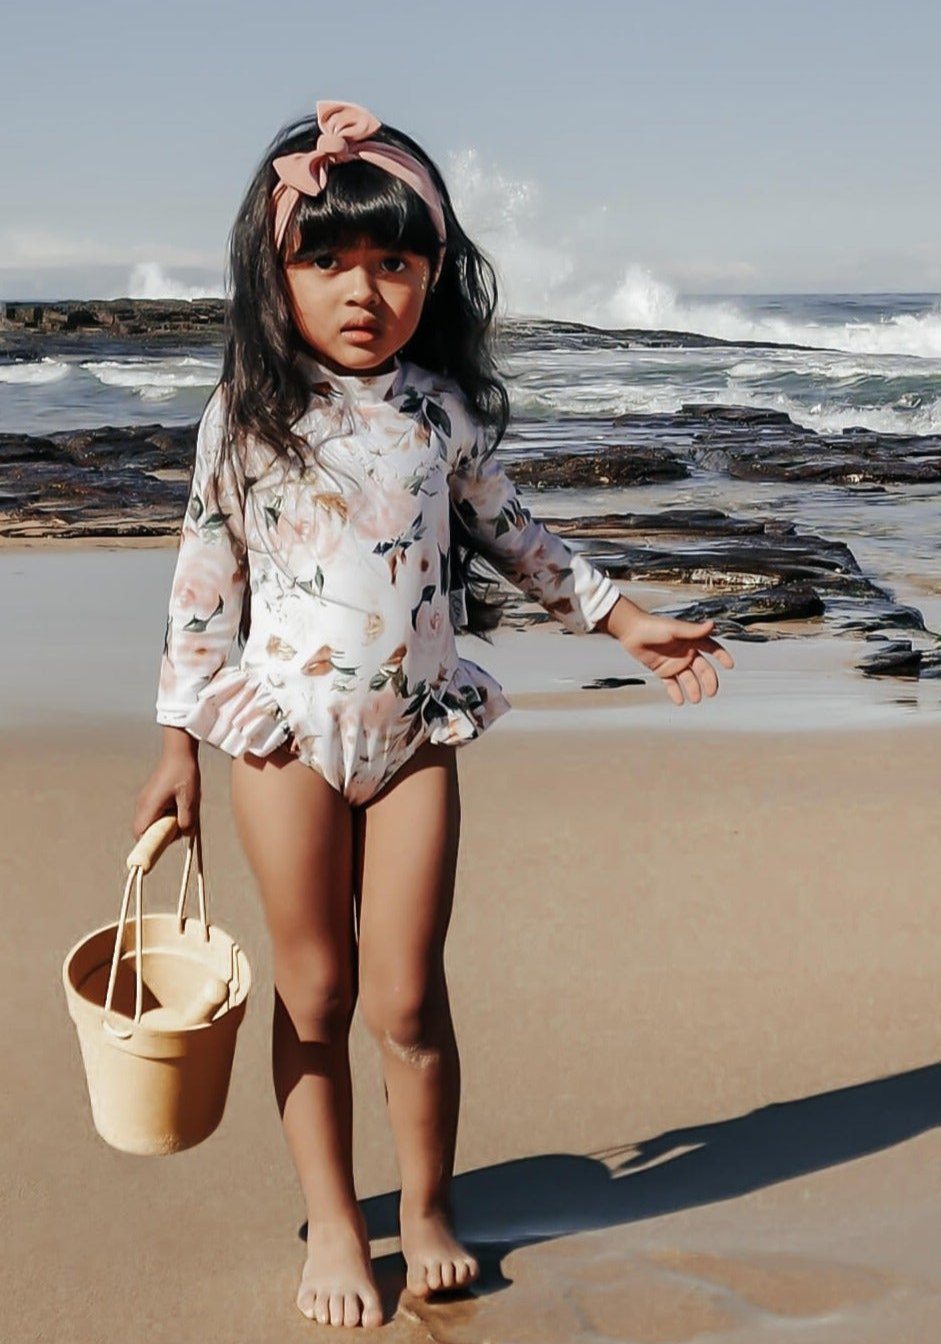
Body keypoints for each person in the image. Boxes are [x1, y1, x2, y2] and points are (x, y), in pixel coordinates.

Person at [131, 100, 733, 1330]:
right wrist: (177, 747)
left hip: (413, 737)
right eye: (329, 259)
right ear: (275, 272)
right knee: (315, 997)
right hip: (280, 740)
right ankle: (338, 1226)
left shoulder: (440, 413)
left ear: (435, 274)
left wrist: (626, 621)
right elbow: (203, 591)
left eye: (396, 262)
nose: (365, 290)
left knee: (407, 998)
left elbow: (521, 539)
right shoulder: (242, 420)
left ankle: (425, 1210)